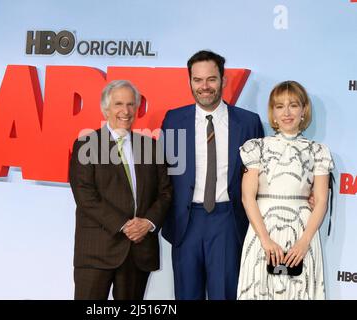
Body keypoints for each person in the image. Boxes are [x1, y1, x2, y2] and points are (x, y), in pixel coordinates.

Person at [161, 50, 264, 300]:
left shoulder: (249, 122)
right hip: (186, 222)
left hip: (228, 220)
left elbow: (263, 174)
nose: (204, 87)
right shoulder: (174, 120)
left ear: (223, 80)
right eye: (197, 80)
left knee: (225, 295)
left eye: (211, 79)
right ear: (189, 82)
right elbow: (162, 172)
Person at [69, 80, 172, 300]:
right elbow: (85, 196)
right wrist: (124, 225)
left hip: (138, 251)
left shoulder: (150, 147)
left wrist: (148, 223)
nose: (125, 111)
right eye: (118, 104)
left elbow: (165, 193)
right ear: (105, 109)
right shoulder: (86, 144)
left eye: (130, 104)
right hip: (97, 250)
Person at [237, 80, 334, 299]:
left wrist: (304, 242)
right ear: (272, 112)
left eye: (293, 105)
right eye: (280, 106)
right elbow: (247, 197)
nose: (287, 112)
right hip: (262, 231)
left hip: (302, 232)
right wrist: (265, 240)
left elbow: (320, 201)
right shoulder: (256, 147)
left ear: (304, 110)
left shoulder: (318, 151)